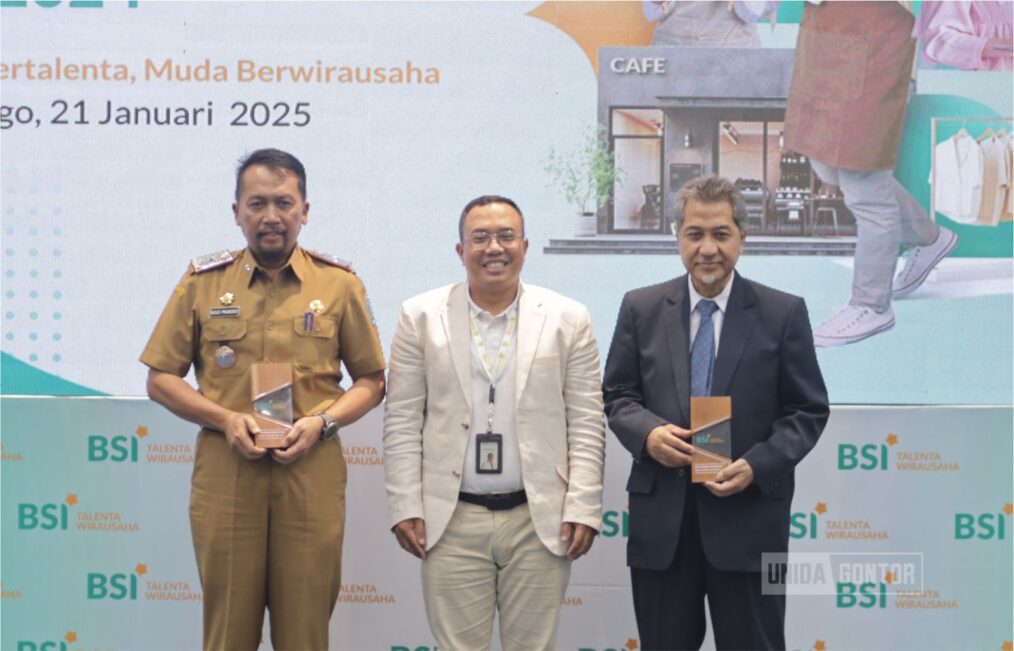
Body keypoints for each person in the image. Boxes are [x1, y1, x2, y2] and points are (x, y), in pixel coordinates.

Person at [141, 148, 386, 650]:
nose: (270, 217)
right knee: (228, 633)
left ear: (304, 210)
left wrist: (324, 424)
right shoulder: (201, 283)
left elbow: (372, 381)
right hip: (228, 472)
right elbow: (161, 377)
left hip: (309, 471)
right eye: (256, 204)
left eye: (283, 202)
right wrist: (225, 419)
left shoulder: (339, 285)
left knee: (305, 633)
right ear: (237, 212)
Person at [603, 176, 829, 651]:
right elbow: (619, 395)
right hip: (663, 525)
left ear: (742, 239)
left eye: (721, 234)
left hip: (749, 524)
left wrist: (758, 465)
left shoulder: (782, 312)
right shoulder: (640, 308)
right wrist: (647, 435)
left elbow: (807, 409)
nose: (708, 248)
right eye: (695, 234)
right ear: (677, 237)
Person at [383, 195, 606, 651]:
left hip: (538, 519)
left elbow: (586, 419)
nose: (494, 247)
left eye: (506, 236)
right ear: (460, 250)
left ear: (525, 246)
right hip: (452, 518)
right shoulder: (419, 316)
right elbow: (402, 418)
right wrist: (406, 503)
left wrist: (582, 504)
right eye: (479, 237)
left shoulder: (568, 318)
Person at [784, 0, 959, 347]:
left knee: (863, 181)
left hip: (872, 44)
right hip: (824, 38)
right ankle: (928, 237)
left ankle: (871, 305)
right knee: (827, 165)